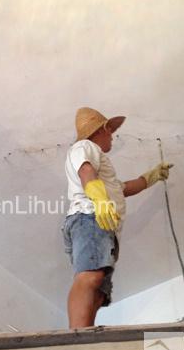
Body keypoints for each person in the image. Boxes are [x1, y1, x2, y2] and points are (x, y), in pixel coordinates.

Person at [62, 107, 173, 328]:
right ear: (102, 129)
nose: (112, 136)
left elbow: (124, 189)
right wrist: (99, 200)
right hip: (90, 216)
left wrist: (151, 177)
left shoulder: (103, 171)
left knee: (99, 291)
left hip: (100, 225)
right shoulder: (85, 147)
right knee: (91, 276)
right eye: (110, 130)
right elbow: (86, 171)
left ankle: (86, 333)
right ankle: (77, 338)